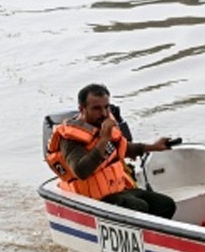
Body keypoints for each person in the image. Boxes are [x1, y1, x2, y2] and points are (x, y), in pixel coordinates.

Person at [45, 83, 176, 218]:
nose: (104, 113)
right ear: (82, 109)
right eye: (96, 108)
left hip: (117, 189)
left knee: (165, 204)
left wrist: (154, 147)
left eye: (106, 107)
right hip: (93, 200)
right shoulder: (70, 139)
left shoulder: (102, 124)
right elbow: (81, 171)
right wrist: (104, 139)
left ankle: (151, 231)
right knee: (138, 207)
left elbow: (121, 148)